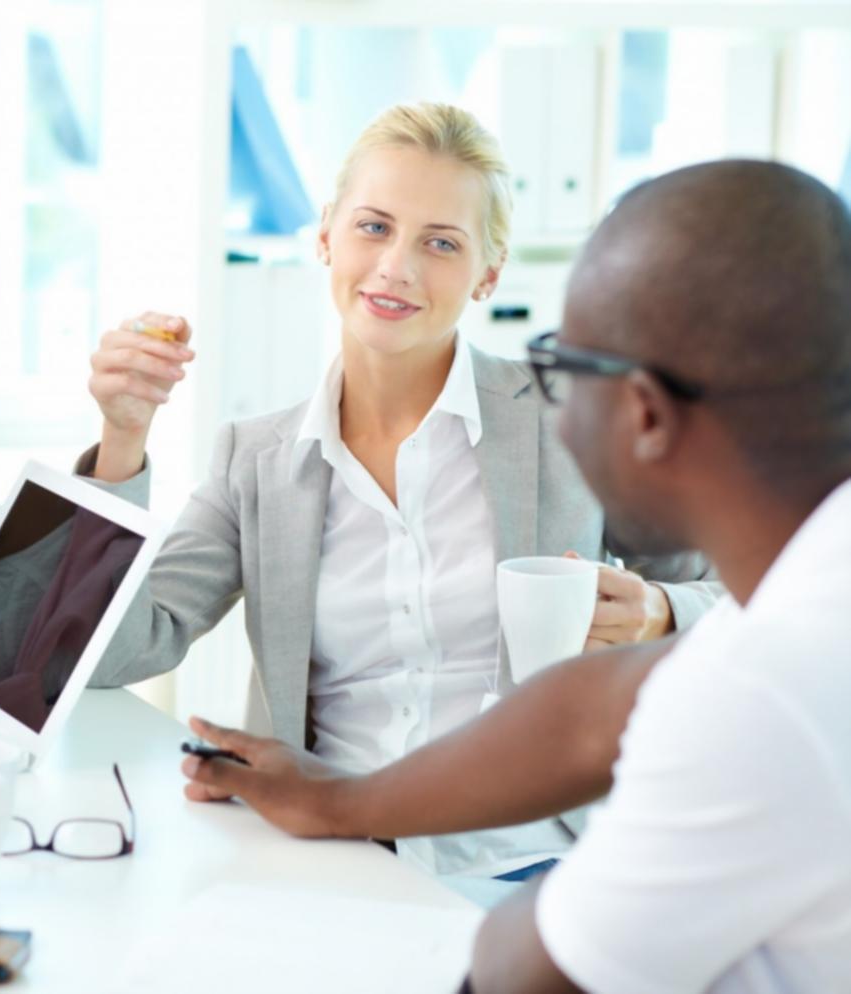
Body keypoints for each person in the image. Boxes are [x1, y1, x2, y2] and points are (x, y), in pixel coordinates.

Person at [181, 159, 851, 992]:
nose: (551, 412)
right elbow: (594, 708)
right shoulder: (815, 600)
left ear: (643, 412)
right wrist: (338, 804)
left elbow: (518, 977)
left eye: (562, 367)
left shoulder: (761, 700)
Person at [81, 102, 719, 879]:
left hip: (535, 861)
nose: (397, 267)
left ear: (487, 271)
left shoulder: (571, 425)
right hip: (332, 862)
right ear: (325, 236)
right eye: (374, 227)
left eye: (441, 243)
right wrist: (122, 440)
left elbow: (753, 598)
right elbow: (107, 653)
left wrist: (660, 611)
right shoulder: (255, 460)